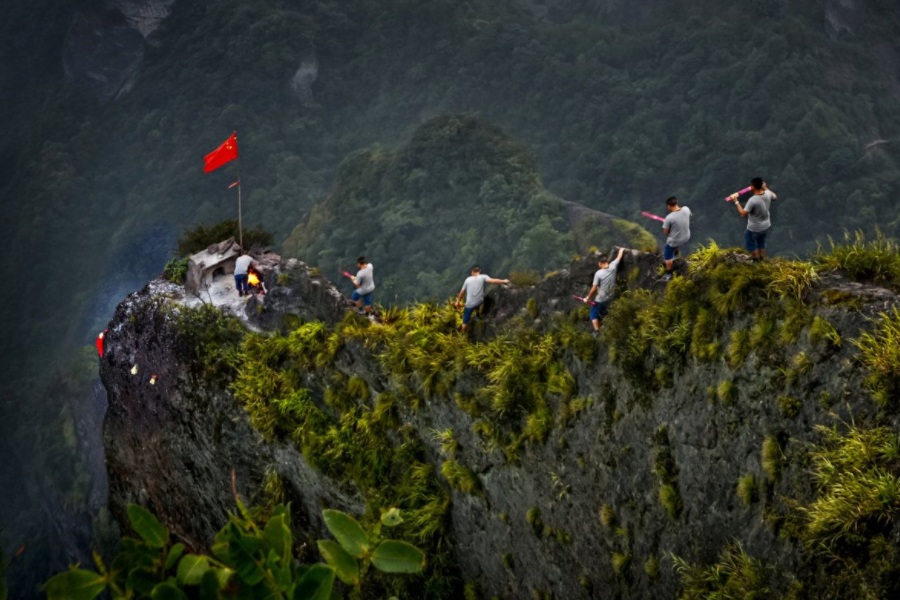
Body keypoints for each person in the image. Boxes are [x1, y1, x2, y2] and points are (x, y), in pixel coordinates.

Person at [732, 177, 777, 262]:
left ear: (752, 187)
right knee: (761, 243)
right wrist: (766, 188)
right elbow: (774, 197)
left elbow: (743, 213)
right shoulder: (767, 194)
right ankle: (762, 261)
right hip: (765, 225)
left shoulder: (752, 200)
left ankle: (756, 261)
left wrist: (736, 202)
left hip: (754, 228)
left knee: (751, 244)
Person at [454, 266, 510, 333]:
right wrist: (504, 281)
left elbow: (462, 292)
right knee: (480, 301)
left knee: (465, 321)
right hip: (479, 301)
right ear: (479, 271)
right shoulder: (483, 277)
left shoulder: (467, 280)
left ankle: (462, 334)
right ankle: (478, 314)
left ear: (472, 272)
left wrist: (458, 301)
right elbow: (494, 280)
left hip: (469, 305)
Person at [584, 247, 626, 335]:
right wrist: (621, 250)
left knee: (593, 314)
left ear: (600, 263)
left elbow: (594, 288)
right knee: (605, 311)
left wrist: (587, 298)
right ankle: (604, 318)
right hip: (611, 298)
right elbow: (618, 257)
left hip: (601, 300)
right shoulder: (613, 266)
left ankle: (597, 331)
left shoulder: (598, 274)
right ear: (607, 261)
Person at [661, 196, 691, 281]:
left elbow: (666, 232)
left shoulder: (669, 218)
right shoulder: (686, 209)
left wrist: (668, 224)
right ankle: (675, 251)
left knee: (667, 253)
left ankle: (668, 274)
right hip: (686, 236)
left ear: (669, 206)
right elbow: (688, 218)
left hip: (675, 241)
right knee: (675, 240)